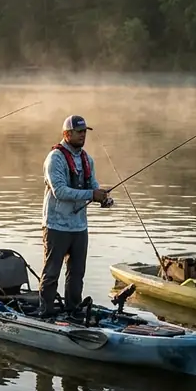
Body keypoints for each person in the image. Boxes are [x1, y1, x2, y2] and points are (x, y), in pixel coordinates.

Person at [39, 115, 111, 318]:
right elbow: (60, 191)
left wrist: (102, 198)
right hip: (56, 225)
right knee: (52, 272)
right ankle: (46, 311)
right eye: (79, 132)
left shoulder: (87, 159)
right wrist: (91, 195)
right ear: (66, 134)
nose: (83, 136)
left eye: (84, 132)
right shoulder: (55, 158)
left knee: (77, 273)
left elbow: (92, 185)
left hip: (79, 227)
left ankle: (73, 310)